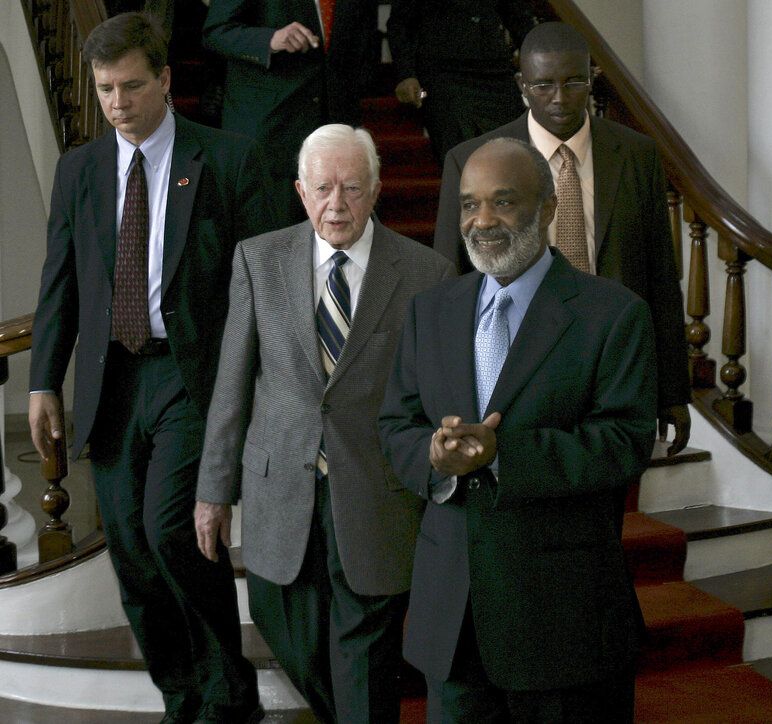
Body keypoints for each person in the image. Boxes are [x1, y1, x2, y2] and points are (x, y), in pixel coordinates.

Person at [28, 13, 272, 723]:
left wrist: (251, 387)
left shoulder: (228, 159)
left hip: (189, 377)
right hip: (112, 381)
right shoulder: (79, 169)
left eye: (131, 86)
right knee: (131, 551)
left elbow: (257, 288)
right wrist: (44, 378)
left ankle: (230, 695)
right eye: (105, 89)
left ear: (165, 80)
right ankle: (184, 697)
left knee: (173, 529)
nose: (116, 103)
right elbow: (60, 283)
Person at [378, 137, 655, 722]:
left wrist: (503, 456)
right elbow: (396, 423)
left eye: (503, 202)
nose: (482, 221)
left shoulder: (613, 314)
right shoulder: (431, 312)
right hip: (450, 621)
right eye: (469, 204)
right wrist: (433, 455)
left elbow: (624, 443)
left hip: (563, 622)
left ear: (548, 208)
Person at [194, 124, 454, 723]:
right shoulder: (258, 259)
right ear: (300, 191)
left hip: (376, 492)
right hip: (278, 489)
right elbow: (231, 383)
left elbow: (430, 399)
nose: (337, 205)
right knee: (282, 623)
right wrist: (214, 491)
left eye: (352, 189)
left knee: (364, 652)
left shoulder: (425, 273)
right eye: (323, 189)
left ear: (378, 190)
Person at [432, 21, 691, 455]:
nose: (559, 97)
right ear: (521, 85)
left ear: (593, 79)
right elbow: (450, 281)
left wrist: (672, 388)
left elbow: (661, 276)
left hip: (617, 364)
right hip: (518, 365)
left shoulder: (637, 155)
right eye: (543, 84)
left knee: (615, 506)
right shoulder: (473, 160)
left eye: (573, 82)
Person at [202, 0, 378, 224]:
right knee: (273, 239)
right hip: (273, 130)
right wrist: (271, 40)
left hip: (335, 125)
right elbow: (215, 31)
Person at [386, 0, 535, 163]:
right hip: (443, 74)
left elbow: (519, 19)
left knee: (514, 155)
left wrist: (540, 63)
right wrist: (406, 74)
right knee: (460, 159)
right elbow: (399, 23)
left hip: (495, 72)